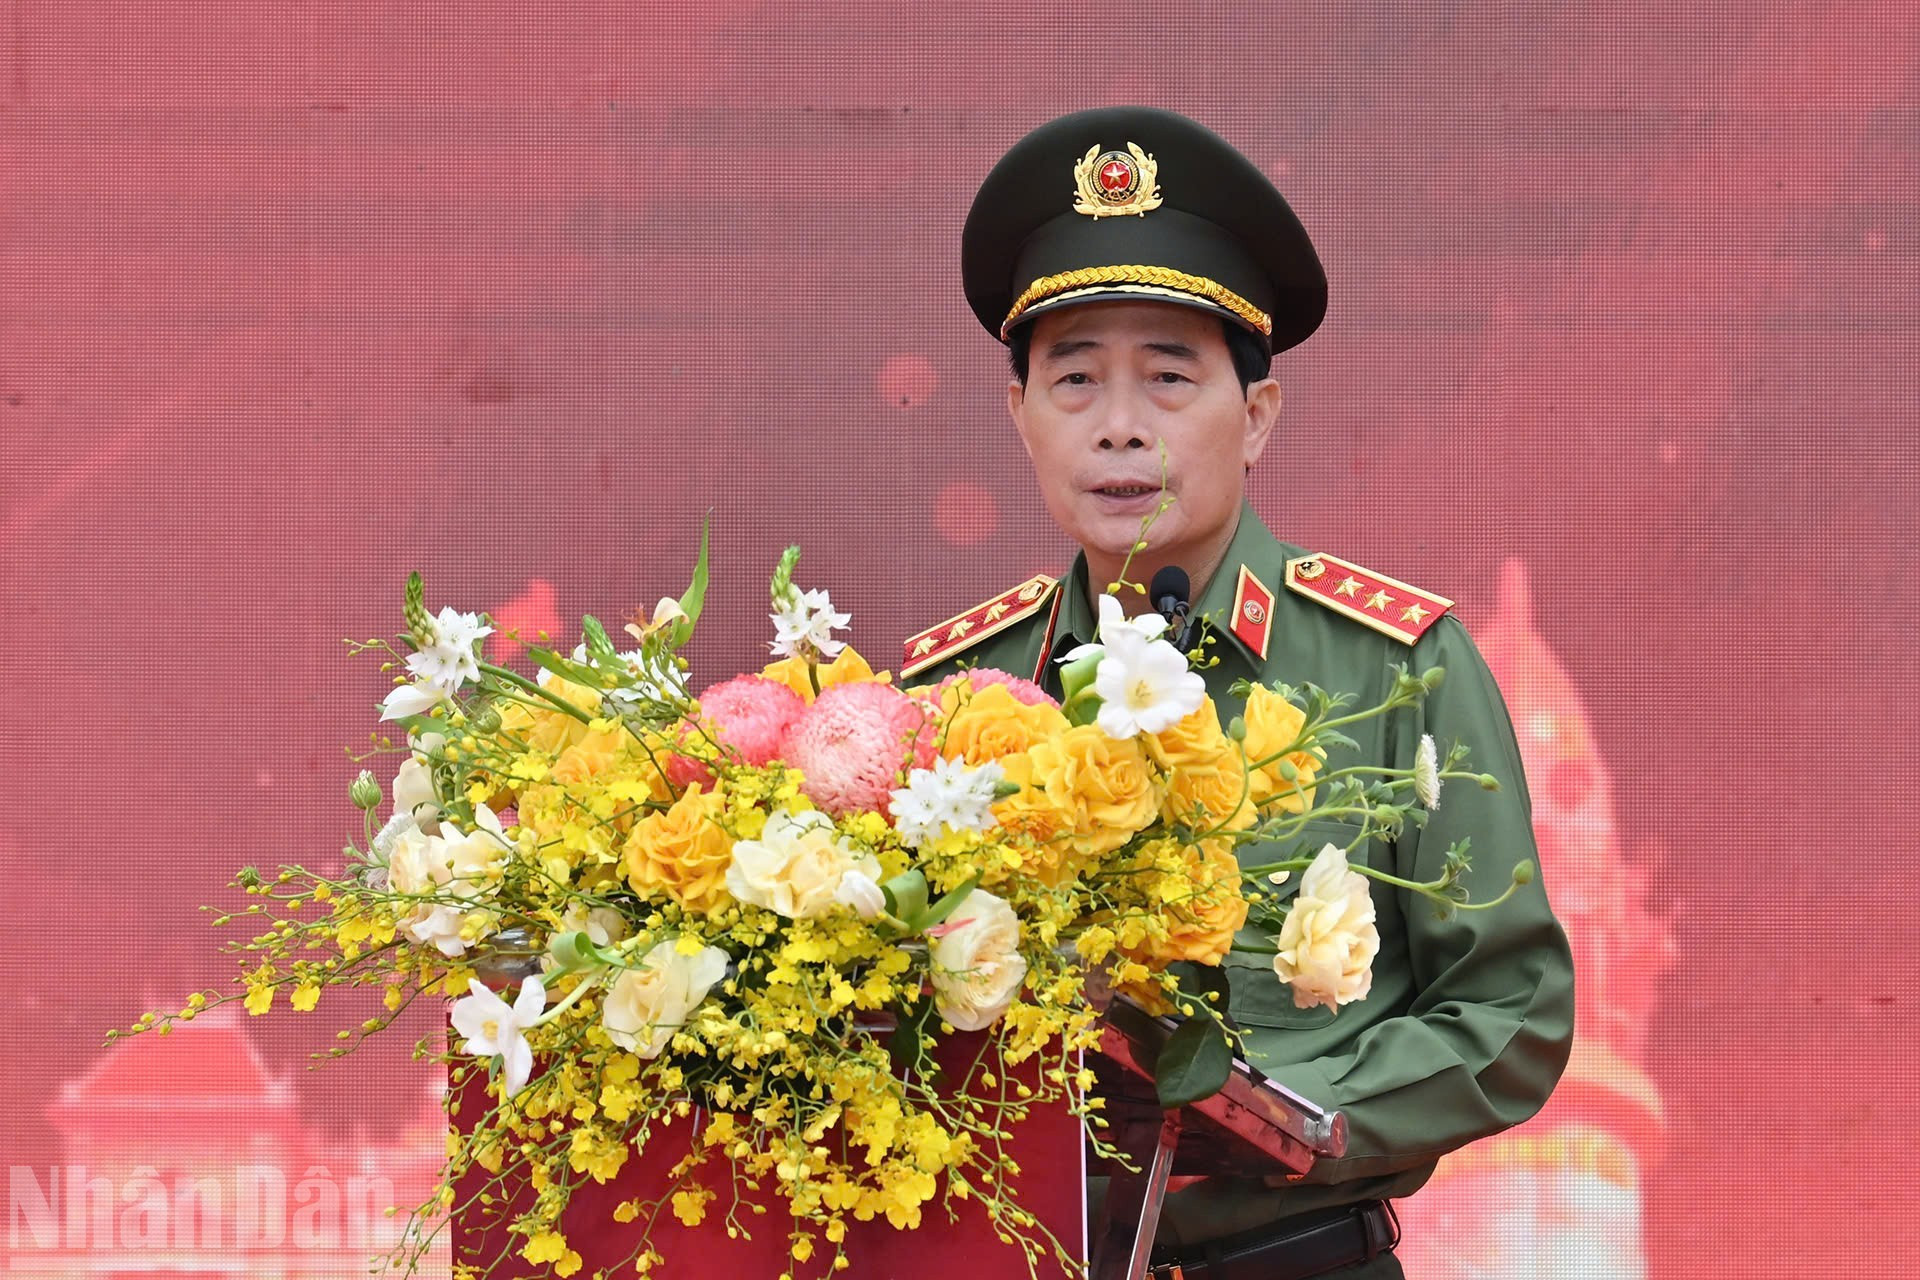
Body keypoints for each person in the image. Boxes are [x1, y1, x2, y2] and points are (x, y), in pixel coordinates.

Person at [901, 107, 1575, 1279]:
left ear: (1257, 415)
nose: (1119, 426)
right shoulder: (953, 689)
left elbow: (1510, 1010)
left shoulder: (1396, 665)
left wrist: (1284, 1116)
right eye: (1073, 381)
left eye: (1169, 378)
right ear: (1018, 415)